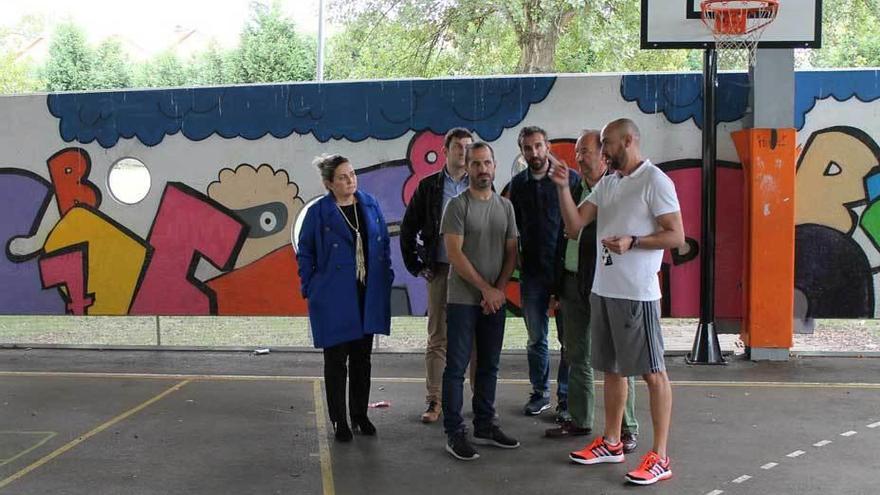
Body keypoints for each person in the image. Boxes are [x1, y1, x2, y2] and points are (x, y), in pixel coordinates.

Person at [551, 119, 683, 485]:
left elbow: (676, 235)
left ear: (628, 140)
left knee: (653, 374)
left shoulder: (655, 181)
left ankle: (660, 456)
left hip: (636, 294)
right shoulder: (608, 183)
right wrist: (563, 187)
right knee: (611, 369)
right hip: (603, 290)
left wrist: (633, 242)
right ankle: (611, 442)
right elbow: (576, 226)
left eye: (606, 144)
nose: (602, 151)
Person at [543, 130, 640, 455]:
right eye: (577, 152)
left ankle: (627, 428)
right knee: (575, 354)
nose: (579, 158)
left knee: (620, 360)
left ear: (604, 154)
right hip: (572, 284)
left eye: (584, 152)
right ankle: (580, 418)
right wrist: (557, 287)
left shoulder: (615, 190)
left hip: (606, 284)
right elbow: (566, 234)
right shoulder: (574, 188)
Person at [297, 154, 394, 442]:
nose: (350, 180)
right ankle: (340, 420)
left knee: (362, 359)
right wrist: (311, 287)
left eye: (352, 174)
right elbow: (305, 252)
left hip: (367, 293)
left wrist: (385, 275)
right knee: (336, 360)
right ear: (329, 183)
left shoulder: (370, 204)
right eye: (342, 176)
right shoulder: (318, 213)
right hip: (333, 296)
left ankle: (360, 415)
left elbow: (383, 243)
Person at [441, 142, 520, 461]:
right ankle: (454, 432)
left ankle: (485, 426)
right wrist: (486, 289)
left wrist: (498, 290)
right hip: (462, 300)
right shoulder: (457, 206)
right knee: (456, 368)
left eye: (487, 163)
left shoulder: (506, 207)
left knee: (489, 365)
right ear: (468, 167)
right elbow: (454, 254)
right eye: (476, 164)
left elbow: (511, 251)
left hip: (493, 301)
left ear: (495, 166)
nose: (482, 169)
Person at [400, 128, 475, 423]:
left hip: (472, 271)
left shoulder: (481, 184)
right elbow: (408, 229)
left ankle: (479, 402)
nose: (464, 152)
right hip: (441, 270)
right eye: (458, 146)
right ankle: (434, 402)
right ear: (445, 151)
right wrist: (417, 265)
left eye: (469, 147)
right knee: (437, 338)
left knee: (472, 339)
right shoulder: (429, 187)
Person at [508, 126, 573, 418]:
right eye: (528, 148)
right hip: (532, 274)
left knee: (568, 340)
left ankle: (566, 398)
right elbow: (515, 229)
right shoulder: (517, 186)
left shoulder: (568, 179)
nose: (534, 153)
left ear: (547, 146)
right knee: (536, 338)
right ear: (522, 151)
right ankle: (540, 393)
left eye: (538, 146)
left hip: (564, 272)